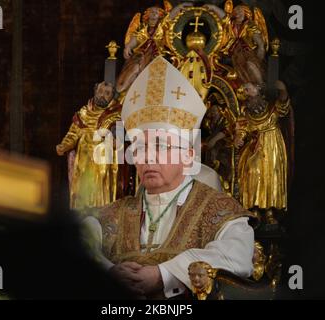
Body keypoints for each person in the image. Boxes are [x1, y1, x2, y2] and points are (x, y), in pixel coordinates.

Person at [84, 57, 256, 299]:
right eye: (140, 148)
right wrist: (110, 272)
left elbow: (237, 254)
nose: (148, 158)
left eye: (161, 146)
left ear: (188, 155)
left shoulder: (219, 210)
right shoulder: (112, 214)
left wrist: (163, 275)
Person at [56, 81, 121, 210]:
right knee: (82, 188)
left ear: (112, 97)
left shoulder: (116, 116)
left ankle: (101, 216)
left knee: (100, 187)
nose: (102, 95)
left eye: (107, 93)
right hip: (83, 161)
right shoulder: (83, 114)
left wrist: (113, 140)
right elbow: (73, 134)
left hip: (103, 162)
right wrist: (64, 145)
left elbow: (118, 140)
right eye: (100, 91)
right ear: (95, 92)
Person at [234, 81, 290, 224]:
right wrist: (238, 138)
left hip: (273, 145)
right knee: (253, 172)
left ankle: (270, 211)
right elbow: (242, 129)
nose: (246, 92)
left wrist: (283, 90)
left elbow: (283, 106)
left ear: (258, 88)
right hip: (256, 147)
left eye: (249, 88)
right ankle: (254, 209)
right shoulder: (246, 113)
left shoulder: (272, 107)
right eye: (244, 90)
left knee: (271, 175)